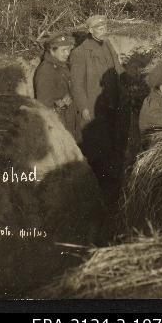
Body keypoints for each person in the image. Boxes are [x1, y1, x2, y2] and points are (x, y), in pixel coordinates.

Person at [69, 14, 124, 203]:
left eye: (105, 27)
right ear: (90, 31)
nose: (103, 30)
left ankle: (112, 180)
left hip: (111, 102)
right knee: (96, 144)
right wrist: (83, 106)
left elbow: (118, 69)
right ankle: (99, 185)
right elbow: (77, 84)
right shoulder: (80, 53)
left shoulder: (108, 45)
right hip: (94, 104)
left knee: (112, 139)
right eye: (99, 28)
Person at [33, 33, 79, 143]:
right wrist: (61, 104)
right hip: (58, 123)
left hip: (69, 118)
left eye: (68, 49)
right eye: (63, 50)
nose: (67, 53)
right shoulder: (46, 71)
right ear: (52, 51)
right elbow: (43, 105)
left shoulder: (61, 65)